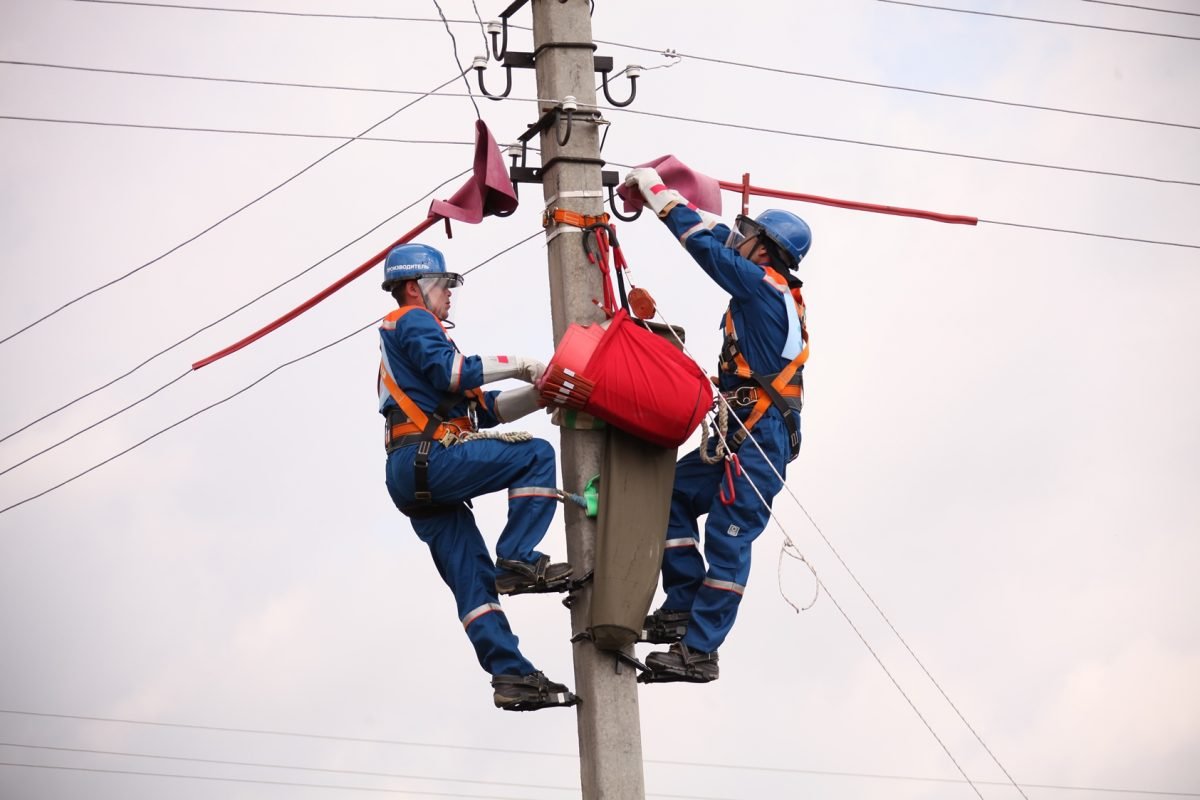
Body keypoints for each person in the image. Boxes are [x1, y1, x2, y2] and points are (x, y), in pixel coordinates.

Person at [624, 167, 812, 684]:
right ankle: (683, 604)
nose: (740, 241)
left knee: (729, 540)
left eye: (749, 238)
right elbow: (724, 237)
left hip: (759, 438)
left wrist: (657, 194)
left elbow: (708, 248)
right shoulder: (770, 290)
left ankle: (701, 650)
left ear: (765, 252)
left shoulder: (760, 288)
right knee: (672, 497)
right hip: (743, 431)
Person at [377, 242, 577, 711]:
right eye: (443, 284)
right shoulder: (412, 320)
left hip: (411, 473)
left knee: (473, 583)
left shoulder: (408, 344)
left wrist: (538, 392)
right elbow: (454, 375)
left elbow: (482, 411)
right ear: (414, 287)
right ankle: (519, 556)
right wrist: (528, 364)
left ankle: (511, 675)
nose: (449, 295)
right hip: (428, 458)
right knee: (536, 455)